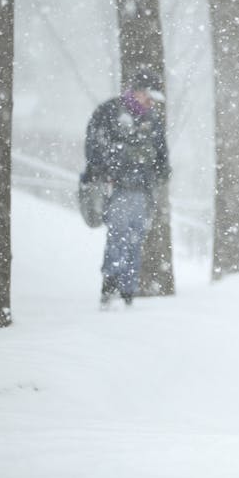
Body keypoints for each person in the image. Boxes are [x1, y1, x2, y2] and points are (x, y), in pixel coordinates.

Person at [83, 66, 170, 308]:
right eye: (149, 96)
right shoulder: (109, 112)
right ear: (138, 92)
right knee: (119, 236)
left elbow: (161, 153)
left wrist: (161, 175)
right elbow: (94, 146)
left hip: (143, 189)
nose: (152, 102)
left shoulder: (151, 120)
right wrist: (104, 170)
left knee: (135, 239)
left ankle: (128, 290)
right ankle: (110, 284)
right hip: (117, 187)